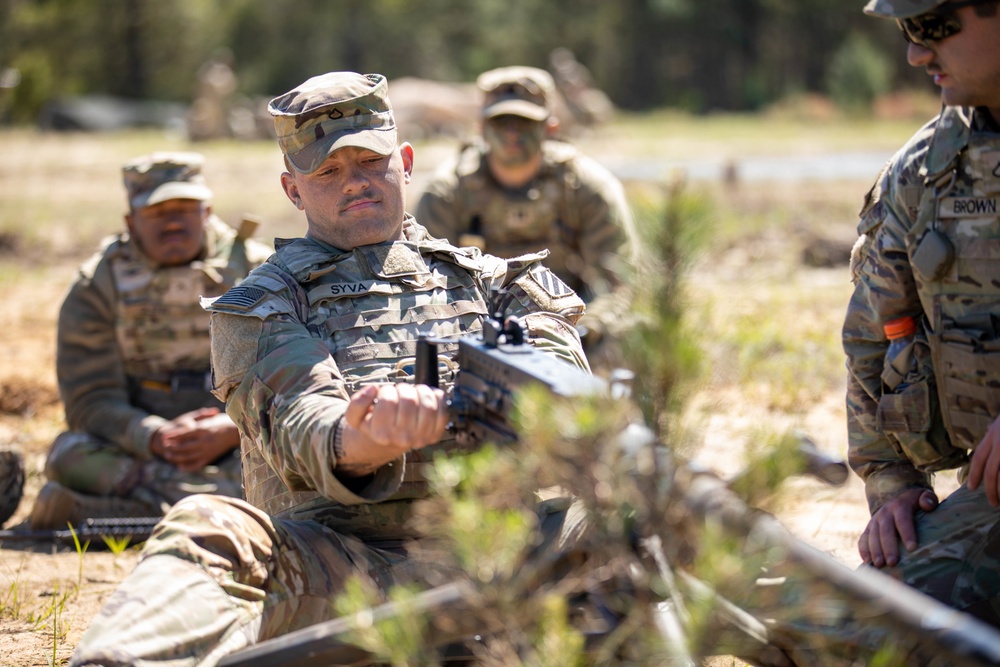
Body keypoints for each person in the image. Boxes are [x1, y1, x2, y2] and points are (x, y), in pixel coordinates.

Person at [68, 71, 591, 666]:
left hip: (507, 556)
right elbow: (303, 420)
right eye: (328, 172)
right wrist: (364, 436)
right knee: (210, 529)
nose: (356, 183)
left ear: (407, 161)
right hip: (349, 571)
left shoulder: (500, 284)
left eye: (370, 161)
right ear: (294, 190)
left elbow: (567, 385)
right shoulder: (261, 304)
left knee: (629, 511)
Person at [843, 0, 1000, 626]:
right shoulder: (924, 172)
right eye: (909, 31)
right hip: (990, 500)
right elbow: (872, 340)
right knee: (847, 628)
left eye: (934, 27)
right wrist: (895, 489)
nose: (915, 52)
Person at [29, 152, 273, 530]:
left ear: (207, 212)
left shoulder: (260, 272)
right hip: (143, 445)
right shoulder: (98, 285)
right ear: (131, 222)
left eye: (186, 208)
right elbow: (90, 400)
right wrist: (156, 436)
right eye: (158, 212)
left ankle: (121, 513)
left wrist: (232, 428)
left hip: (242, 436)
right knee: (68, 456)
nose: (174, 222)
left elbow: (292, 376)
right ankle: (222, 505)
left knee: (299, 451)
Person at [415, 66, 638, 368]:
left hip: (573, 328)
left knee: (629, 335)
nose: (511, 133)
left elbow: (620, 283)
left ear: (551, 127)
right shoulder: (448, 192)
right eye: (500, 122)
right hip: (475, 331)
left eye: (524, 122)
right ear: (481, 127)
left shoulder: (586, 187)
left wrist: (581, 332)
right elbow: (423, 288)